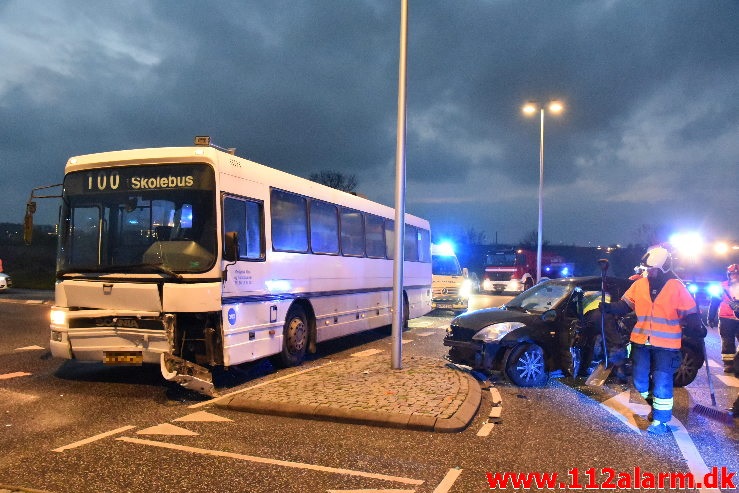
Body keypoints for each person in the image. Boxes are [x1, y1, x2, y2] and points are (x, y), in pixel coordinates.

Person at [602, 246, 704, 435]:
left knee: (662, 380)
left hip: (667, 346)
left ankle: (660, 421)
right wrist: (608, 308)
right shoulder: (639, 284)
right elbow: (625, 305)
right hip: (641, 341)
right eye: (648, 269)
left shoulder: (676, 286)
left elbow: (691, 313)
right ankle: (654, 406)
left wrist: (695, 324)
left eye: (653, 269)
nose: (650, 272)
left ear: (664, 268)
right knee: (640, 382)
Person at [707, 263, 739, 373]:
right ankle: (729, 365)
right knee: (727, 342)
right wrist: (711, 316)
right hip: (726, 318)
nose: (734, 276)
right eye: (732, 274)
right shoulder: (722, 286)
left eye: (736, 274)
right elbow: (714, 302)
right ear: (728, 275)